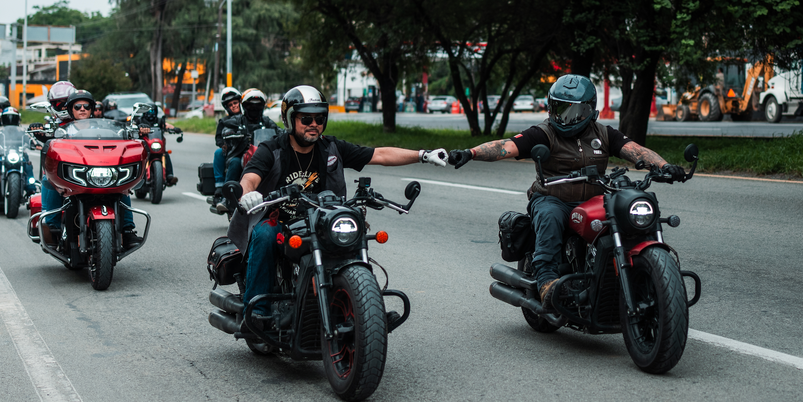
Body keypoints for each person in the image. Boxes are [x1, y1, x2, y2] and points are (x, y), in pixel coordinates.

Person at [446, 74, 686, 311]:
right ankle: (547, 281)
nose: (565, 117)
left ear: (590, 110)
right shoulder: (544, 132)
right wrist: (470, 153)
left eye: (574, 111)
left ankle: (635, 272)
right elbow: (505, 146)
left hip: (594, 199)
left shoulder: (603, 133)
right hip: (553, 197)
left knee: (629, 211)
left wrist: (664, 167)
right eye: (560, 108)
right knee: (549, 216)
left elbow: (635, 150)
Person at [231, 85, 450, 324]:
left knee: (353, 234)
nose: (313, 123)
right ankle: (257, 314)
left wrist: (423, 155)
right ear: (289, 119)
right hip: (280, 220)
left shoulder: (331, 147)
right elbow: (250, 177)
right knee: (264, 234)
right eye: (306, 118)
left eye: (319, 117)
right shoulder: (271, 149)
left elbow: (380, 155)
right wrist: (248, 194)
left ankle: (368, 308)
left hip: (322, 219)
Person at [39, 87, 141, 248]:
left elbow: (119, 138)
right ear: (71, 110)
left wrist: (134, 132)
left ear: (92, 109)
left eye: (86, 107)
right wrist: (42, 133)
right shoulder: (64, 129)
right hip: (78, 174)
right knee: (49, 179)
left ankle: (128, 231)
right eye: (77, 107)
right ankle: (53, 227)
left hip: (98, 170)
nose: (82, 110)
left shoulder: (103, 129)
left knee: (122, 187)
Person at [216, 88, 279, 214]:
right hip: (241, 154)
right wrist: (231, 133)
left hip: (262, 153)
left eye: (258, 105)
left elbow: (278, 130)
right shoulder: (237, 120)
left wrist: (284, 134)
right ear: (244, 106)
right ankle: (227, 199)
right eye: (251, 106)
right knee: (234, 162)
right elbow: (225, 130)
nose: (254, 108)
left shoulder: (266, 121)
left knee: (278, 165)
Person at [0, 106, 38, 196]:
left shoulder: (21, 130)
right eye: (7, 117)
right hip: (2, 155)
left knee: (27, 165)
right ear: (3, 119)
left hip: (18, 155)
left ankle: (31, 188)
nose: (10, 120)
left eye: (13, 117)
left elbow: (30, 139)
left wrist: (35, 144)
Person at [210, 86, 243, 209]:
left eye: (235, 103)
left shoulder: (248, 118)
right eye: (230, 104)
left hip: (248, 150)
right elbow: (218, 138)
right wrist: (223, 145)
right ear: (226, 107)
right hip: (231, 151)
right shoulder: (224, 121)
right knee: (219, 153)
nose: (234, 106)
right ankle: (221, 188)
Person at [132, 103, 179, 186]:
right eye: (149, 111)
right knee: (137, 156)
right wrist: (137, 128)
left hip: (156, 143)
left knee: (165, 154)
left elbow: (166, 125)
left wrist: (174, 129)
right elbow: (133, 126)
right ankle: (134, 176)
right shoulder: (140, 120)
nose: (151, 113)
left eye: (153, 111)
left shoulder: (159, 120)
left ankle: (169, 176)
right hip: (144, 146)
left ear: (156, 112)